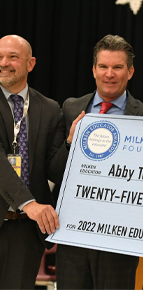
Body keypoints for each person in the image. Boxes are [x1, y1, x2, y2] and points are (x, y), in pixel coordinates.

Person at [55, 34, 143, 289]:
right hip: (73, 236)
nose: (109, 74)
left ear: (130, 71)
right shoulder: (71, 108)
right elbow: (54, 171)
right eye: (103, 66)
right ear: (93, 70)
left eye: (117, 67)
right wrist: (70, 144)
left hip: (119, 241)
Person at [0, 35, 69, 288]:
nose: (4, 63)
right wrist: (28, 203)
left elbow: (53, 170)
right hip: (25, 210)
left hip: (25, 232)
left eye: (13, 57)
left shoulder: (51, 109)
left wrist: (70, 144)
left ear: (31, 64)